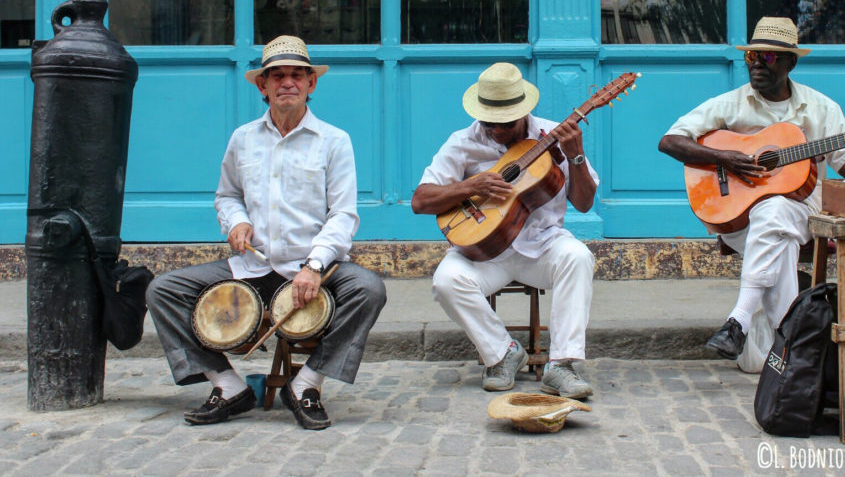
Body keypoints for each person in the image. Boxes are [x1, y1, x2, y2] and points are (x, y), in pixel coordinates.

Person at [146, 35, 386, 430]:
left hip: (314, 268)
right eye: (278, 76)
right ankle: (227, 386)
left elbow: (343, 215)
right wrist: (236, 221)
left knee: (369, 289)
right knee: (162, 291)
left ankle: (307, 384)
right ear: (263, 85)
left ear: (312, 84)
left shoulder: (334, 141)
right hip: (251, 266)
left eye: (297, 75)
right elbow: (227, 195)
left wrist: (314, 265)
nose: (287, 83)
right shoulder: (243, 139)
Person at [657, 17, 845, 360]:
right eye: (752, 58)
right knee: (775, 231)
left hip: (803, 213)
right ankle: (790, 355)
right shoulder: (730, 103)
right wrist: (723, 157)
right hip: (736, 217)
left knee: (776, 214)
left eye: (768, 58)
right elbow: (669, 141)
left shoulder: (821, 108)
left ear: (791, 63)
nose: (757, 65)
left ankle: (740, 325)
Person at [411, 62, 598, 399]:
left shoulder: (554, 135)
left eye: (505, 124)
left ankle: (562, 365)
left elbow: (584, 203)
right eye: (489, 123)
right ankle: (502, 353)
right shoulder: (462, 142)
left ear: (523, 111)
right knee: (445, 281)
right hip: (485, 253)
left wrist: (577, 158)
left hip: (543, 247)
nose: (496, 131)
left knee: (578, 257)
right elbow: (420, 200)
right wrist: (470, 185)